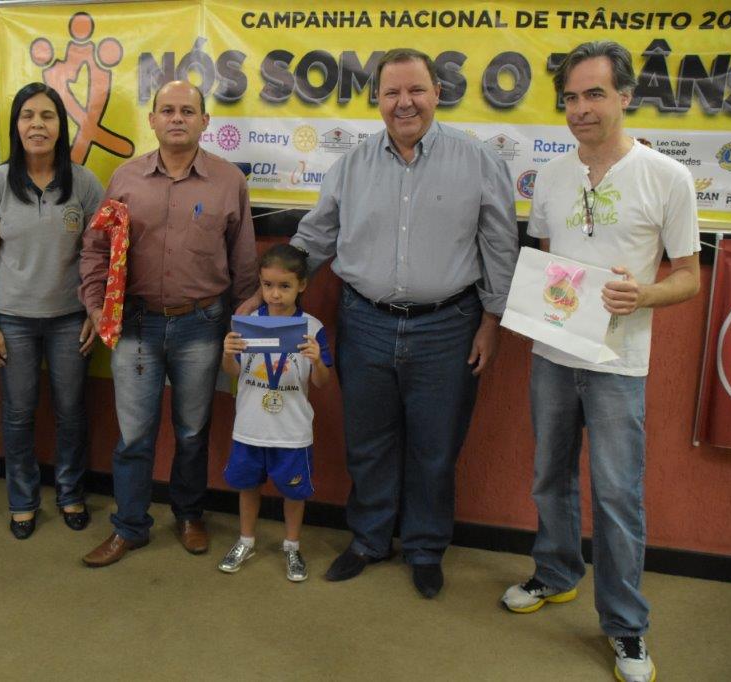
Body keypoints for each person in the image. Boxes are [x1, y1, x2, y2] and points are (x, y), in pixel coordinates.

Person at [284, 48, 518, 596]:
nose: (404, 102)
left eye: (416, 90)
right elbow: (315, 237)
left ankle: (425, 547)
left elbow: (500, 247)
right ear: (378, 100)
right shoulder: (352, 166)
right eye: (392, 92)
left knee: (435, 448)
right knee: (368, 442)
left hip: (449, 327)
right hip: (364, 324)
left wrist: (492, 322)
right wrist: (270, 288)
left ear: (438, 93)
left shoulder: (478, 161)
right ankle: (369, 539)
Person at [500, 41, 700, 682]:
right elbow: (544, 260)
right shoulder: (552, 175)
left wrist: (643, 295)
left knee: (616, 496)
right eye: (570, 98)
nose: (580, 108)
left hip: (619, 363)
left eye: (594, 94)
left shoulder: (666, 177)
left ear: (625, 97)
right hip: (552, 355)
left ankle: (625, 625)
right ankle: (556, 573)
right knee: (548, 476)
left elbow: (689, 276)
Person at [79, 80, 258, 568]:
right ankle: (129, 527)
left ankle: (189, 515)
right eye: (167, 110)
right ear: (153, 119)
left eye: (187, 111)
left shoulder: (228, 181)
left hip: (202, 325)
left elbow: (244, 263)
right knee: (134, 436)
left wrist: (248, 325)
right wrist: (95, 308)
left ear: (205, 121)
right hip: (135, 327)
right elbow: (96, 249)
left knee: (193, 431)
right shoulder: (125, 179)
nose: (177, 118)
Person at [0, 82, 103, 540]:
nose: (37, 125)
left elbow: (99, 256)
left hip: (70, 318)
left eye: (47, 116)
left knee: (71, 411)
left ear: (60, 126)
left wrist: (95, 311)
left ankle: (70, 493)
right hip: (13, 320)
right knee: (18, 413)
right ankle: (23, 500)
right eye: (27, 116)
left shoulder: (84, 183)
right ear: (15, 126)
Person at [218, 244, 332, 582]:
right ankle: (246, 540)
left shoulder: (312, 328)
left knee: (294, 492)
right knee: (247, 485)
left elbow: (322, 382)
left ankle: (292, 546)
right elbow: (233, 372)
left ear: (302, 285)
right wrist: (227, 353)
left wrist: (316, 361)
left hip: (292, 430)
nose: (275, 294)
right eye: (267, 285)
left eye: (284, 286)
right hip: (250, 425)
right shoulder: (247, 323)